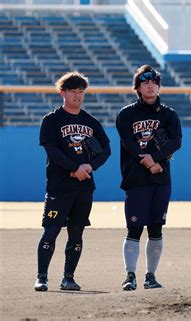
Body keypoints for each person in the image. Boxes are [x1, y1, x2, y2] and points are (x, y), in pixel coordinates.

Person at [35, 71, 111, 291]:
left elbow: (106, 150)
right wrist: (74, 167)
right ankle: (42, 277)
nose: (78, 95)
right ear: (63, 93)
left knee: (76, 232)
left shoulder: (91, 121)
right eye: (73, 91)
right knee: (51, 230)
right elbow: (51, 150)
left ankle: (68, 277)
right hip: (59, 186)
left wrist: (90, 166)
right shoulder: (51, 120)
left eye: (81, 91)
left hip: (84, 186)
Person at [116, 65, 182, 291]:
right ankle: (130, 275)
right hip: (136, 178)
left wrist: (154, 159)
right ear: (137, 87)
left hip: (160, 179)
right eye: (145, 83)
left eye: (154, 82)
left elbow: (176, 142)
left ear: (159, 86)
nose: (150, 86)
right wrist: (148, 161)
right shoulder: (126, 114)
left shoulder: (169, 115)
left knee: (156, 228)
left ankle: (150, 276)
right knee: (134, 228)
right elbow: (129, 142)